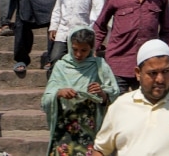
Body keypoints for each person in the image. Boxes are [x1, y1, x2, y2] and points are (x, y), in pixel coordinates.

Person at [91, 39, 169, 155]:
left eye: (166, 71)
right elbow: (101, 150)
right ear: (138, 73)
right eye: (153, 73)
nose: (160, 79)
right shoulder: (120, 106)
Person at [93, 0, 169, 93]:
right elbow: (100, 24)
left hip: (148, 66)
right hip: (118, 62)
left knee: (145, 109)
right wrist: (94, 49)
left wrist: (166, 55)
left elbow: (166, 31)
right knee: (117, 108)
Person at [43, 26, 119, 154]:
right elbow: (46, 98)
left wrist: (102, 93)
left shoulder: (99, 65)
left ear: (91, 48)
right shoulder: (61, 66)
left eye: (84, 50)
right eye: (75, 49)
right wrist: (59, 93)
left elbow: (114, 94)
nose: (78, 54)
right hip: (64, 127)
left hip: (89, 128)